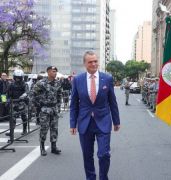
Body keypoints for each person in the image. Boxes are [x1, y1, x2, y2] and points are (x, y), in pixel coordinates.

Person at [70, 51, 120, 180]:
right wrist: (72, 124)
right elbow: (74, 104)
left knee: (104, 154)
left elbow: (112, 101)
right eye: (90, 62)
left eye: (95, 61)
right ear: (85, 64)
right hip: (84, 123)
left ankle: (103, 177)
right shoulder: (77, 80)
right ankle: (90, 178)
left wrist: (116, 121)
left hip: (103, 121)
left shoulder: (107, 78)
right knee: (87, 155)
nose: (93, 64)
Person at [31, 66, 62, 156]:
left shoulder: (58, 83)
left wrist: (58, 106)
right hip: (44, 109)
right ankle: (42, 147)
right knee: (44, 129)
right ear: (48, 72)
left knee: (54, 129)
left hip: (54, 109)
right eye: (53, 71)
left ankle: (54, 147)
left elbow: (59, 95)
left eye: (56, 71)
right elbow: (32, 94)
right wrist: (35, 106)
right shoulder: (41, 83)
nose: (55, 73)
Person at [6, 69, 28, 136]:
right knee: (12, 118)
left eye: (19, 77)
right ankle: (11, 132)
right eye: (16, 77)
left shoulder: (24, 84)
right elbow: (7, 93)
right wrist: (6, 101)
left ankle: (24, 130)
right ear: (14, 77)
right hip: (13, 103)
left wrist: (23, 96)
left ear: (21, 77)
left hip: (22, 103)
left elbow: (27, 92)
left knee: (23, 117)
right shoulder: (11, 84)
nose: (17, 79)